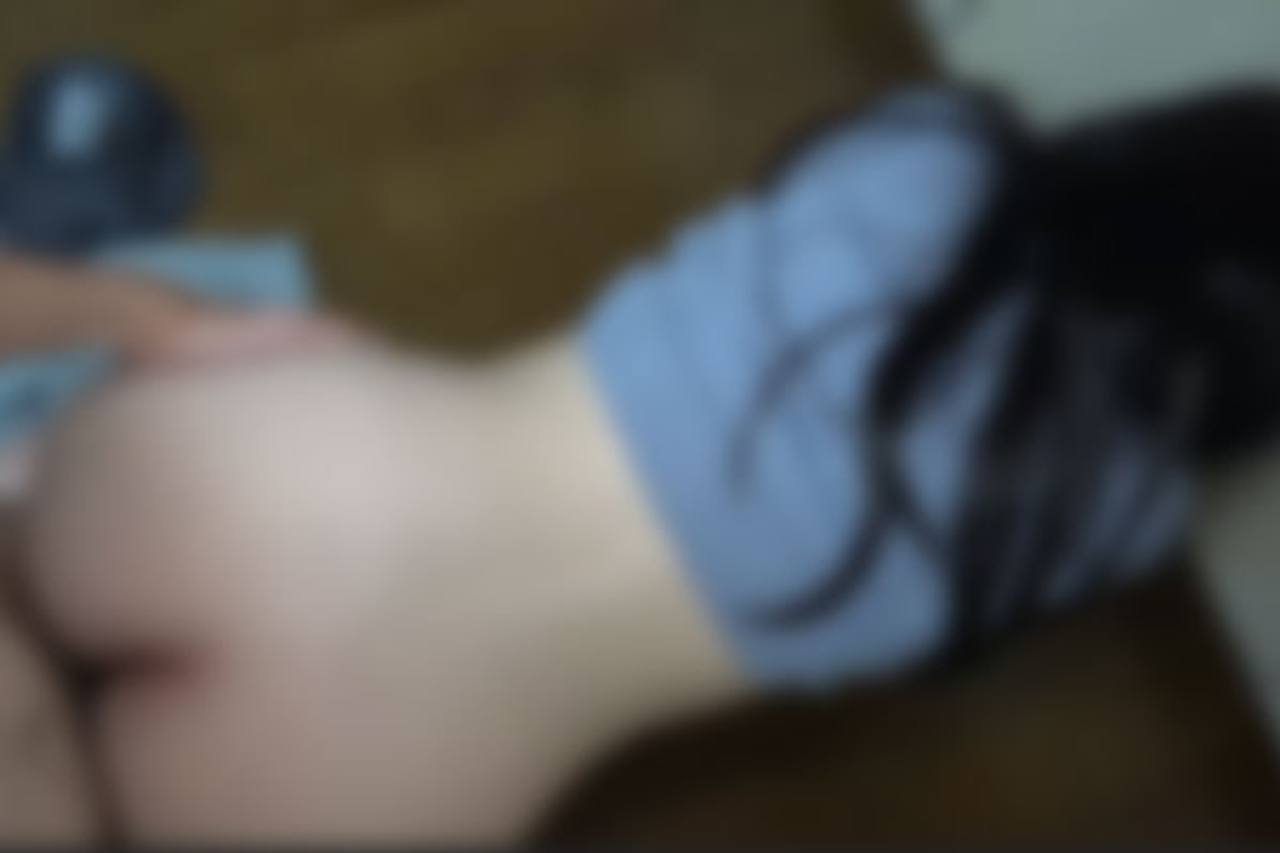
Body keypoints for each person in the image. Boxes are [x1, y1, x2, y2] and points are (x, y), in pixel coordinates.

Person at [9, 84, 1280, 842]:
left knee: (29, 558)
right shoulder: (1128, 523)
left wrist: (160, 329)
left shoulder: (941, 151)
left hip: (267, 479)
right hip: (399, 774)